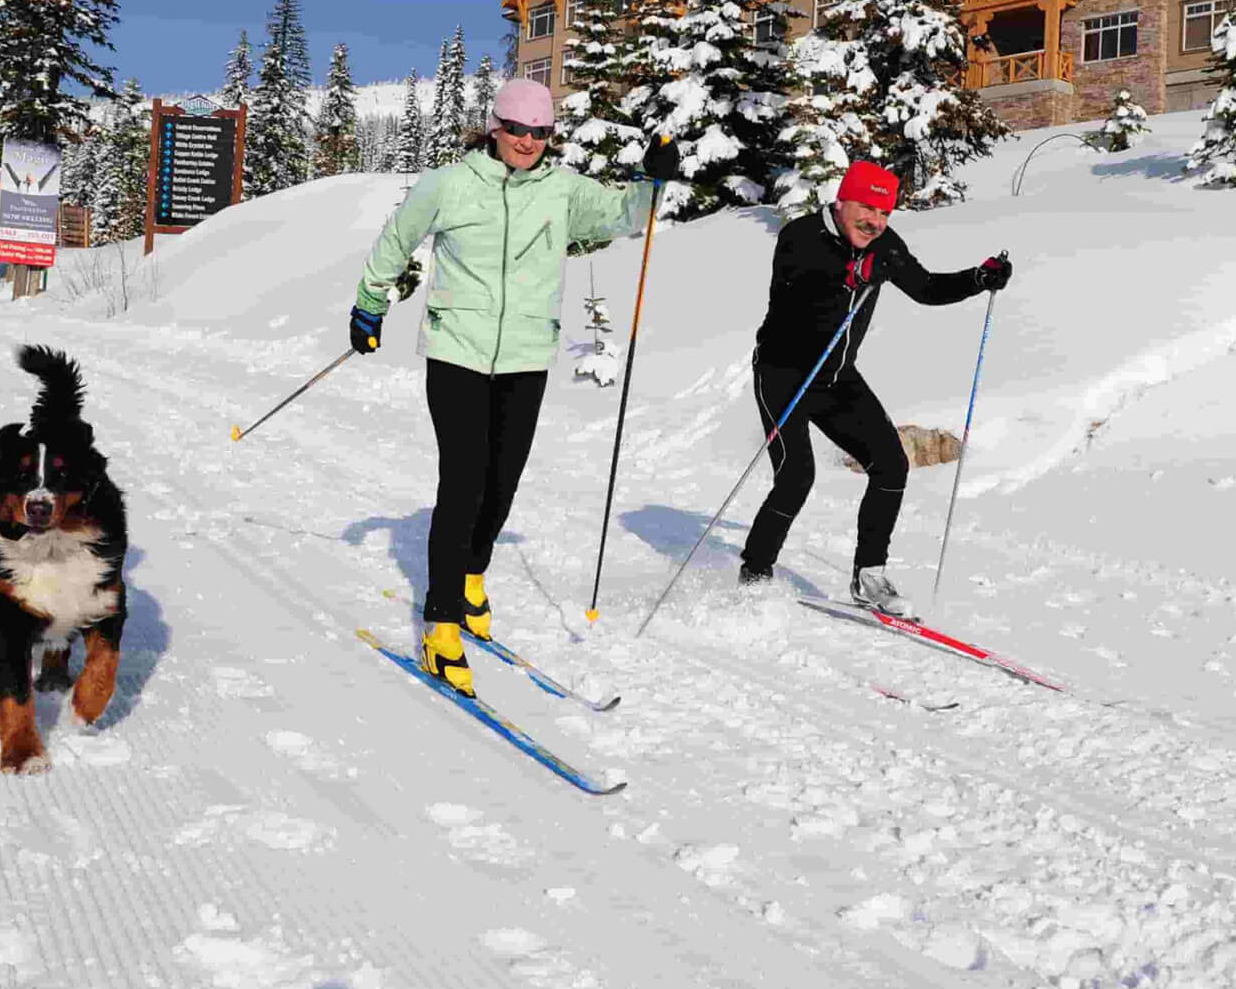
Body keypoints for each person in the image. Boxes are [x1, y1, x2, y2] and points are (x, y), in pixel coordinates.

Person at [350, 79, 681, 695]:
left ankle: (473, 571)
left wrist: (652, 179)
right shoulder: (448, 184)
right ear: (494, 126)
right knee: (464, 480)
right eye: (518, 129)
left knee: (503, 482)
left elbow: (625, 215)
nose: (528, 142)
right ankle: (441, 620)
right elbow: (396, 241)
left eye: (541, 133)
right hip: (456, 352)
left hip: (527, 355)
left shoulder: (561, 191)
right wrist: (370, 303)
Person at [740, 158, 1010, 619]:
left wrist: (977, 279)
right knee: (795, 477)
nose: (876, 222)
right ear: (842, 201)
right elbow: (800, 289)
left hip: (836, 377)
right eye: (867, 208)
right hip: (784, 374)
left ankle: (869, 576)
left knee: (890, 463)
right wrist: (853, 275)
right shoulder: (800, 236)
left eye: (885, 213)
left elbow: (925, 288)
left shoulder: (882, 244)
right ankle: (755, 574)